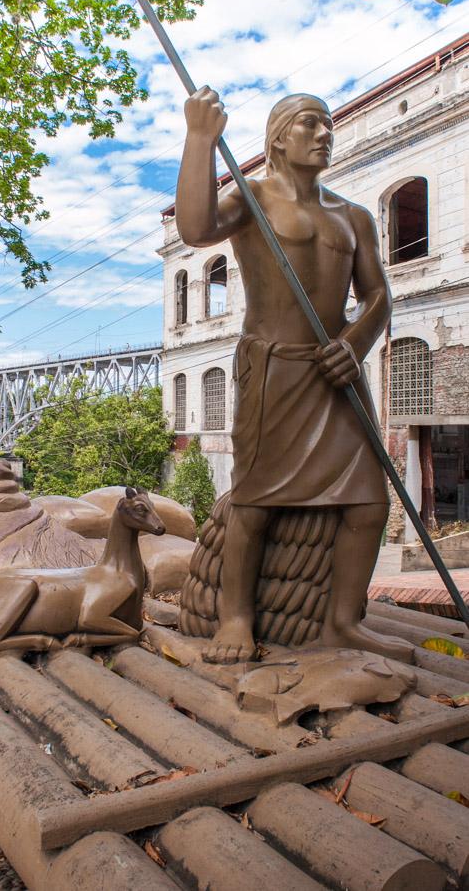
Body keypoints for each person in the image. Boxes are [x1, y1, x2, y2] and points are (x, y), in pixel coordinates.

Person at [176, 89, 413, 665]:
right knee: (254, 499)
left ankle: (342, 622)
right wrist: (200, 138)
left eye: (328, 125)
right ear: (279, 136)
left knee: (367, 502)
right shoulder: (252, 198)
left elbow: (378, 295)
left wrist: (355, 345)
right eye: (311, 123)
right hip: (275, 370)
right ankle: (236, 617)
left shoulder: (353, 215)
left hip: (336, 375)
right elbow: (195, 227)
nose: (325, 133)